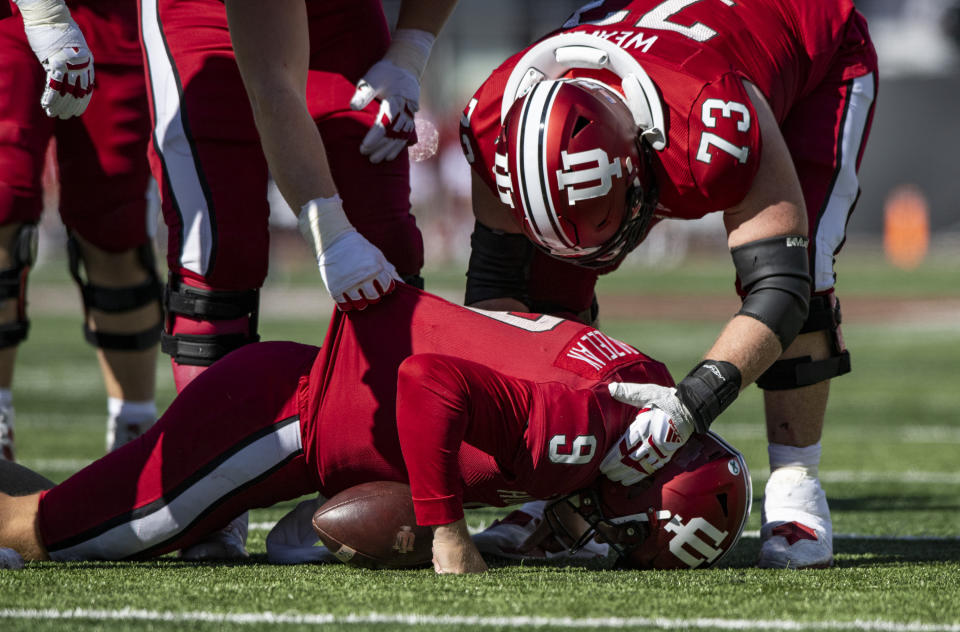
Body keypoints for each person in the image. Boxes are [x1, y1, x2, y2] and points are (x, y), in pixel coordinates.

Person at [459, 0, 878, 569]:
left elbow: (781, 290)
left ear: (637, 159)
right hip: (674, 63)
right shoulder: (493, 119)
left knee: (809, 270)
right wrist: (544, 449)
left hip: (811, 51)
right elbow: (494, 295)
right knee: (536, 289)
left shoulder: (708, 119)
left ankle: (796, 483)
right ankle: (552, 489)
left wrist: (690, 405)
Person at [0, 285, 751, 573]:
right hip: (284, 418)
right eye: (622, 535)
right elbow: (430, 386)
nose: (598, 539)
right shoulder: (583, 438)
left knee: (90, 507)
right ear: (638, 488)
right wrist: (447, 531)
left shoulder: (643, 383)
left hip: (309, 401)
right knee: (48, 535)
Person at [138, 0, 456, 394]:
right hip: (205, 13)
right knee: (219, 249)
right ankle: (215, 440)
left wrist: (412, 48)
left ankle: (390, 437)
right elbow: (271, 85)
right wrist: (330, 232)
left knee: (386, 239)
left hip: (338, 15)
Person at [0, 0, 161, 462]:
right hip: (9, 15)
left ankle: (134, 430)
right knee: (3, 203)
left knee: (116, 228)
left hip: (115, 19)